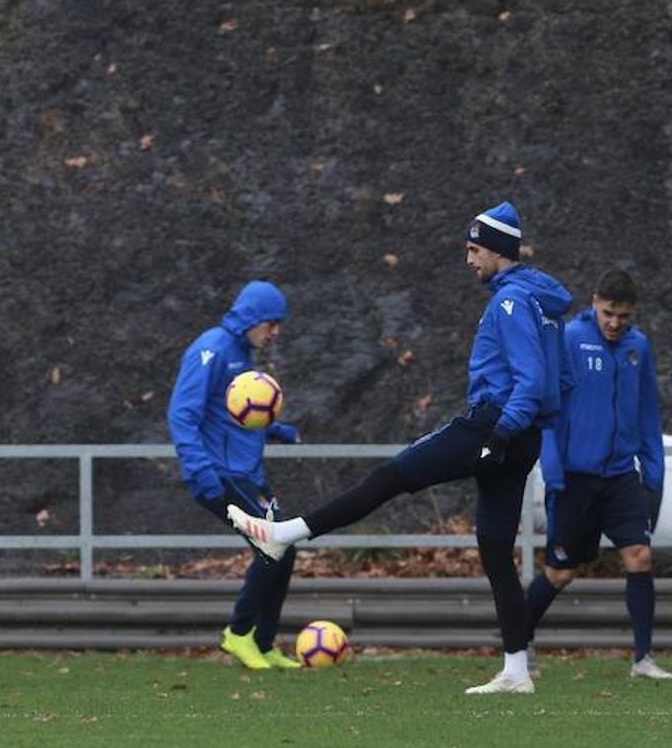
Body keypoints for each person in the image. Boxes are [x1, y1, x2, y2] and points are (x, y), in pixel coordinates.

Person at [228, 202, 571, 694]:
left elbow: (532, 379)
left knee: (390, 477)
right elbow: (558, 382)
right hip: (523, 436)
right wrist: (522, 432)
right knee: (496, 550)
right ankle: (517, 670)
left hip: (492, 427)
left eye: (474, 250)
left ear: (498, 251)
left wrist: (498, 433)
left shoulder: (511, 302)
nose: (469, 260)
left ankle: (285, 533)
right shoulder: (544, 302)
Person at [524, 270, 672, 679]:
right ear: (594, 302)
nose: (614, 323)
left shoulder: (637, 348)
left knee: (639, 557)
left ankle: (643, 659)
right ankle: (517, 647)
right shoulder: (570, 339)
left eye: (623, 316)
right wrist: (552, 467)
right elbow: (548, 406)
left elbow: (647, 413)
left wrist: (654, 470)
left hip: (621, 474)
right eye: (608, 313)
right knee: (560, 572)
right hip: (574, 477)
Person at [167, 281, 302, 670]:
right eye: (271, 323)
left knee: (285, 546)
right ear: (251, 317)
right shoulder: (211, 348)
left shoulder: (241, 354)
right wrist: (199, 471)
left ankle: (263, 643)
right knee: (272, 545)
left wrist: (277, 430)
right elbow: (182, 414)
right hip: (217, 474)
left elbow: (235, 413)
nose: (275, 332)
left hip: (247, 475)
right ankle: (238, 633)